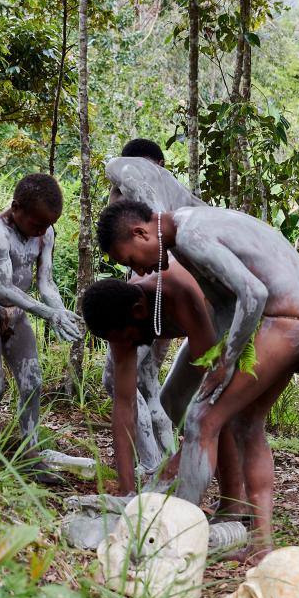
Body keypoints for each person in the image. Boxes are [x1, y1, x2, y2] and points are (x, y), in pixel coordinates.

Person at [96, 200, 299, 559]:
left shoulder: (191, 235)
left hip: (285, 317)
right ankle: (260, 542)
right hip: (293, 317)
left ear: (141, 232)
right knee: (246, 424)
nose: (138, 269)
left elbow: (255, 293)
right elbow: (231, 305)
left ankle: (177, 532)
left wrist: (227, 361)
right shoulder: (185, 233)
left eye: (133, 259)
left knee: (202, 418)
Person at [82, 275, 244, 511]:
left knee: (217, 415)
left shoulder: (178, 292)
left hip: (229, 323)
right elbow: (124, 406)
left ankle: (235, 502)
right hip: (202, 332)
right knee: (172, 400)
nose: (128, 345)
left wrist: (183, 456)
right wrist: (127, 494)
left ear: (138, 311)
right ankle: (232, 499)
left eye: (129, 338)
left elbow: (213, 383)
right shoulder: (120, 325)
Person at [0, 174, 82, 483]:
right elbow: (3, 288)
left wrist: (59, 312)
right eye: (36, 224)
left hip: (16, 314)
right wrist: (47, 314)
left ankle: (29, 455)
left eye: (47, 225)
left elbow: (45, 282)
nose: (41, 231)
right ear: (16, 208)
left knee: (32, 382)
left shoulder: (45, 234)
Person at [100, 138, 207, 473]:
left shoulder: (151, 191)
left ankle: (155, 461)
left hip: (165, 286)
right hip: (161, 287)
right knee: (144, 379)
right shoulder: (131, 190)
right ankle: (159, 458)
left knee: (126, 380)